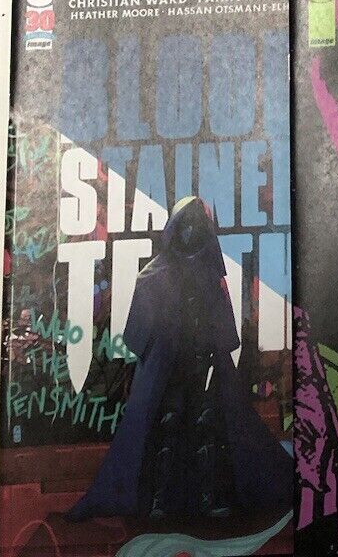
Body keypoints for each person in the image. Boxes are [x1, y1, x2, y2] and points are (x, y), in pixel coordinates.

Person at [68, 197, 293, 524]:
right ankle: (160, 501)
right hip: (169, 370)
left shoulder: (210, 276)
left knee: (208, 427)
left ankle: (209, 499)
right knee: (167, 426)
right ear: (174, 229)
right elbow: (136, 336)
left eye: (195, 226)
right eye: (184, 225)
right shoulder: (154, 276)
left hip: (205, 364)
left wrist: (211, 354)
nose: (189, 232)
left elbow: (225, 331)